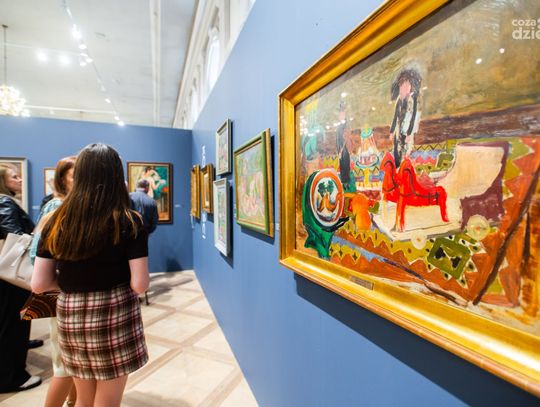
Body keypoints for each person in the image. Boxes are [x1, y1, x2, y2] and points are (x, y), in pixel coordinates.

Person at [32, 143, 150, 407]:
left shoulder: (55, 220)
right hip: (114, 312)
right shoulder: (128, 221)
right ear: (116, 175)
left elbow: (39, 284)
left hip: (71, 314)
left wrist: (71, 284)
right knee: (107, 400)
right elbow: (140, 284)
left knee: (84, 399)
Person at [30, 156, 77, 407]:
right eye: (74, 175)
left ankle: (73, 401)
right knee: (64, 365)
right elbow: (35, 254)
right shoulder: (56, 206)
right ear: (62, 179)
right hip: (60, 293)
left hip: (68, 294)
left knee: (72, 364)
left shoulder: (73, 205)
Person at [0, 164, 41, 393]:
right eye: (14, 177)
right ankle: (12, 377)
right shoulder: (4, 202)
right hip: (10, 276)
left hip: (6, 275)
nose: (20, 180)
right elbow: (14, 235)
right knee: (12, 323)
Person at [389, 68, 422, 168]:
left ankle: (403, 169)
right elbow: (395, 116)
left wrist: (409, 133)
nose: (404, 88)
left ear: (411, 87)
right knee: (396, 150)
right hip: (398, 129)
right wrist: (391, 131)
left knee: (406, 152)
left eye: (407, 85)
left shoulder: (414, 100)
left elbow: (413, 118)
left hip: (408, 130)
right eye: (402, 85)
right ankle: (397, 168)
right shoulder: (399, 100)